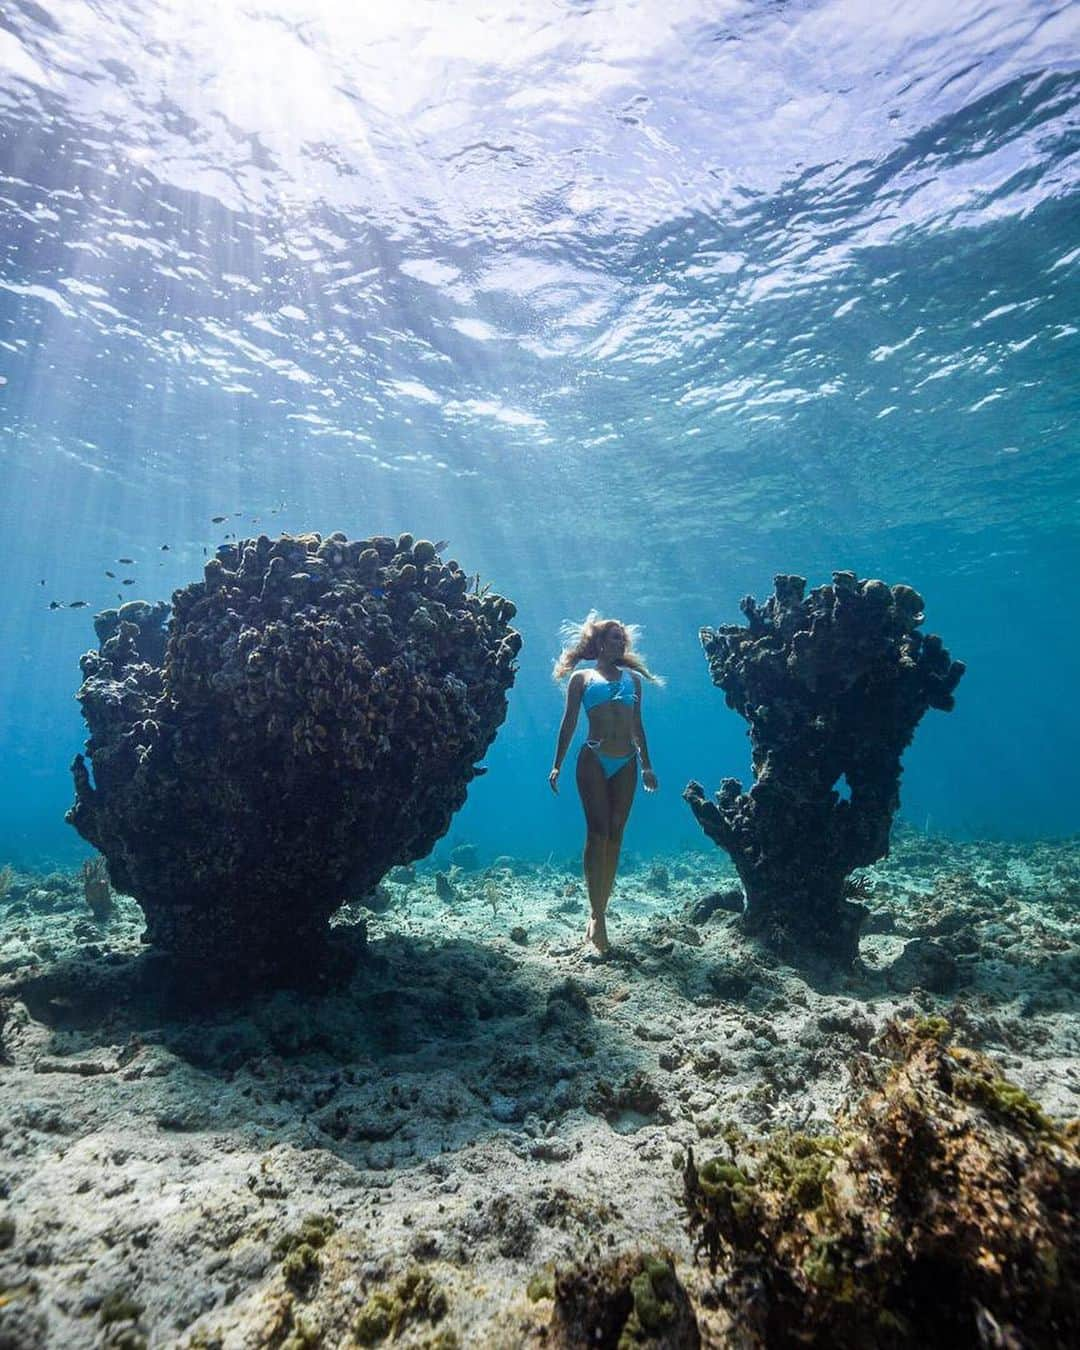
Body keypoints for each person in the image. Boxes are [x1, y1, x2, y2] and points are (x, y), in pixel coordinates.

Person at [549, 615, 660, 955]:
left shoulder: (633, 682)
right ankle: (598, 918)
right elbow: (568, 724)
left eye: (622, 639)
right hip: (593, 760)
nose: (619, 644)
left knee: (615, 837)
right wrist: (556, 765)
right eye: (613, 638)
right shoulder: (582, 679)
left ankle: (601, 908)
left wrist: (646, 766)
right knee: (597, 834)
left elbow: (637, 726)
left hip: (626, 761)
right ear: (599, 643)